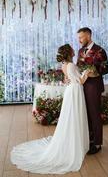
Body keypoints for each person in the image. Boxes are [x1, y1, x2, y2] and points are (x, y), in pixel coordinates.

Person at [10, 44, 90, 174]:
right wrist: (87, 72)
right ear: (69, 52)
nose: (74, 50)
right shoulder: (71, 65)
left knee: (71, 116)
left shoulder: (64, 65)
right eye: (72, 49)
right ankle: (75, 144)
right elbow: (80, 81)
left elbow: (66, 79)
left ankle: (72, 141)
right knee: (75, 116)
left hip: (71, 91)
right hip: (75, 91)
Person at [77, 27, 108, 154]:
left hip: (94, 87)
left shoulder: (100, 50)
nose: (79, 40)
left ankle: (97, 144)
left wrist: (94, 71)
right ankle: (89, 141)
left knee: (95, 114)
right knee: (85, 114)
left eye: (81, 37)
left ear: (88, 36)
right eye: (78, 37)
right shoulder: (80, 51)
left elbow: (106, 69)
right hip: (81, 86)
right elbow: (79, 67)